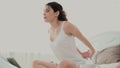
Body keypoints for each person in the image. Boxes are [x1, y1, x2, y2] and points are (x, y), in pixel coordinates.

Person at [33, 1, 120, 68]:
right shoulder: (49, 31)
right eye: (43, 11)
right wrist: (80, 52)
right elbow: (68, 44)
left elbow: (83, 39)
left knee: (64, 63)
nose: (44, 13)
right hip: (62, 64)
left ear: (56, 13)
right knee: (35, 62)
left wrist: (92, 51)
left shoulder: (67, 26)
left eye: (47, 11)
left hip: (78, 64)